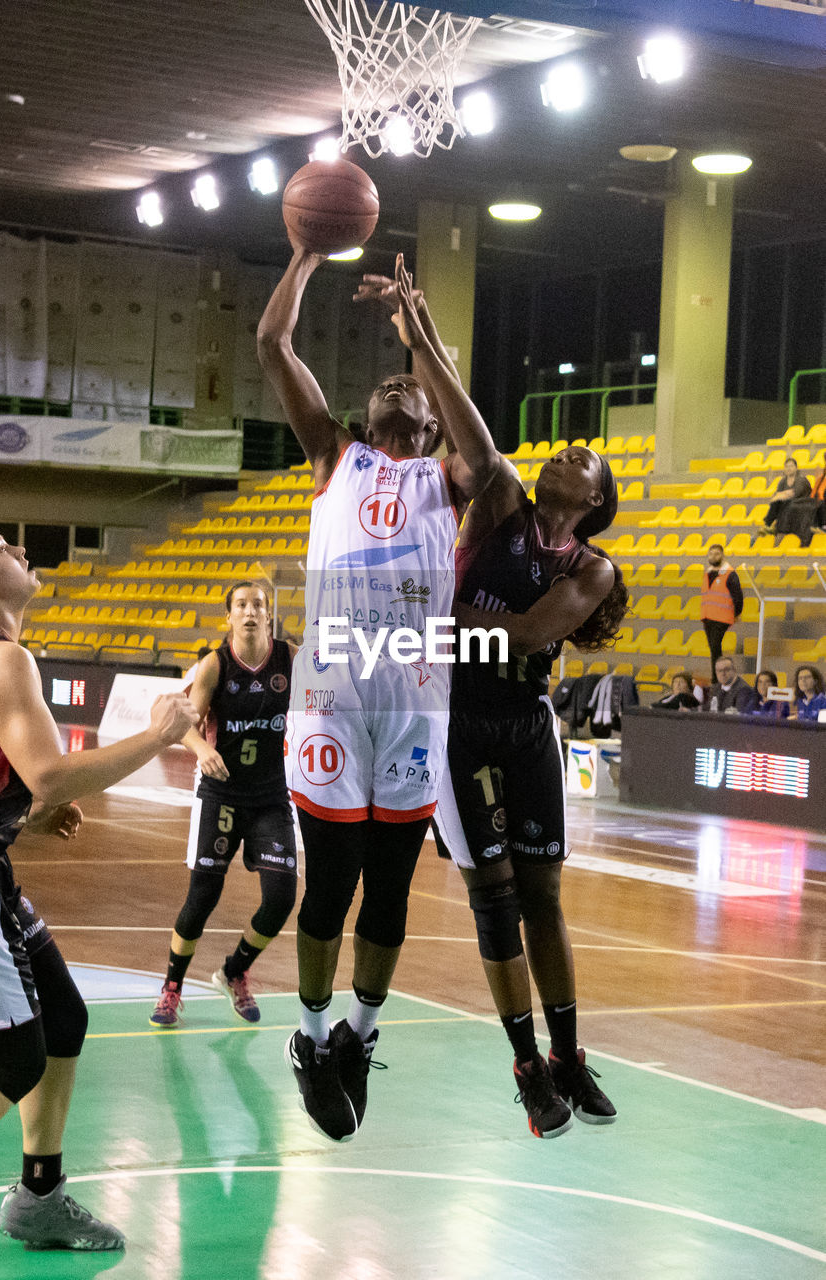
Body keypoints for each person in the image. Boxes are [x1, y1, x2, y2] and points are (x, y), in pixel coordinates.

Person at [257, 249, 499, 1142]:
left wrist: (423, 336)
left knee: (390, 895)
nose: (400, 387)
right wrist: (307, 254)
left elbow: (481, 449)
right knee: (329, 892)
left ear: (434, 421)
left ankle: (358, 1035)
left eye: (416, 388)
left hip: (411, 710)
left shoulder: (455, 479)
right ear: (363, 417)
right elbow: (271, 340)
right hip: (329, 701)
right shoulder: (334, 455)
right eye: (389, 382)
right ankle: (312, 1035)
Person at [0, 523, 197, 1251]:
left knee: (62, 1017)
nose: (20, 551)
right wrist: (160, 735)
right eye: (1, 548)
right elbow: (53, 775)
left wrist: (17, 825)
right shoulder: (0, 659)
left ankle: (40, 1197)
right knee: (15, 1058)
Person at [432, 438, 628, 1139]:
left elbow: (521, 637)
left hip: (523, 721)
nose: (564, 455)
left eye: (581, 458)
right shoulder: (502, 503)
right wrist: (423, 342)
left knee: (542, 896)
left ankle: (567, 1057)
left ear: (595, 498)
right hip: (457, 718)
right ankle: (528, 1071)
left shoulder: (591, 569)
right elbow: (476, 439)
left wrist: (440, 613)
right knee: (495, 899)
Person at [149, 582, 298, 1028]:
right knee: (202, 897)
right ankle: (172, 988)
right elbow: (185, 724)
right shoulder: (215, 664)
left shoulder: (290, 657)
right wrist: (201, 749)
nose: (250, 611)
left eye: (258, 605)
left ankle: (234, 971)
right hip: (222, 794)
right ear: (228, 616)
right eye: (241, 605)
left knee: (281, 898)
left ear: (268, 614)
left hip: (270, 796)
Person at [700, 544, 744, 682]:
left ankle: (717, 679)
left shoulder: (730, 573)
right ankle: (719, 677)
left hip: (722, 617)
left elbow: (738, 596)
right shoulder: (708, 573)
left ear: (722, 555)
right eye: (711, 554)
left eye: (717, 554)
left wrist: (736, 614)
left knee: (715, 648)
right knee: (714, 650)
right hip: (708, 617)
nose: (713, 557)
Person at [760, 457, 811, 538]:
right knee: (776, 502)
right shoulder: (783, 481)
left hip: (801, 504)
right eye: (786, 466)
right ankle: (768, 525)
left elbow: (795, 493)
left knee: (785, 502)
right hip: (787, 504)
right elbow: (777, 495)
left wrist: (782, 495)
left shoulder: (801, 479)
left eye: (791, 466)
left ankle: (771, 525)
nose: (788, 468)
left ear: (796, 468)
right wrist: (782, 495)